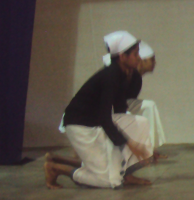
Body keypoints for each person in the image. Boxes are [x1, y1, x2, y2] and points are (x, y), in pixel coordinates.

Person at [44, 31, 153, 189]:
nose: (139, 58)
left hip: (95, 123)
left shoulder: (123, 74)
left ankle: (126, 174)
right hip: (80, 126)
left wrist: (141, 144)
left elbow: (120, 110)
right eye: (135, 54)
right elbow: (105, 118)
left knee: (141, 123)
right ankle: (56, 168)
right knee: (107, 180)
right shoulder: (110, 76)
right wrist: (130, 143)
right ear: (122, 57)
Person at [104, 41, 167, 160]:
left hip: (119, 105)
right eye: (152, 60)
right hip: (105, 108)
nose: (154, 63)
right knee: (131, 117)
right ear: (142, 61)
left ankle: (150, 149)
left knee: (149, 106)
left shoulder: (136, 77)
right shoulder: (120, 73)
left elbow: (127, 99)